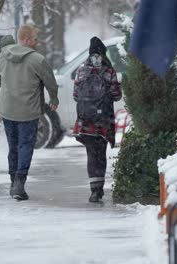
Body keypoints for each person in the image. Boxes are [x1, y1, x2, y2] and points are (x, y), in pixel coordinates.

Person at [0, 25, 59, 201]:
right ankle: (19, 183)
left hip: (7, 110)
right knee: (25, 146)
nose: (37, 42)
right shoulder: (37, 60)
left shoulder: (3, 56)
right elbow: (50, 82)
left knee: (13, 146)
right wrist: (54, 99)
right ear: (27, 40)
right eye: (35, 39)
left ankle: (13, 181)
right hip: (28, 111)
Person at [72, 36, 122, 203]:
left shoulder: (81, 70)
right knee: (100, 154)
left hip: (85, 121)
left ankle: (94, 190)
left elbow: (75, 95)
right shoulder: (109, 71)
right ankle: (98, 190)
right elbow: (116, 95)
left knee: (91, 154)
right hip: (102, 121)